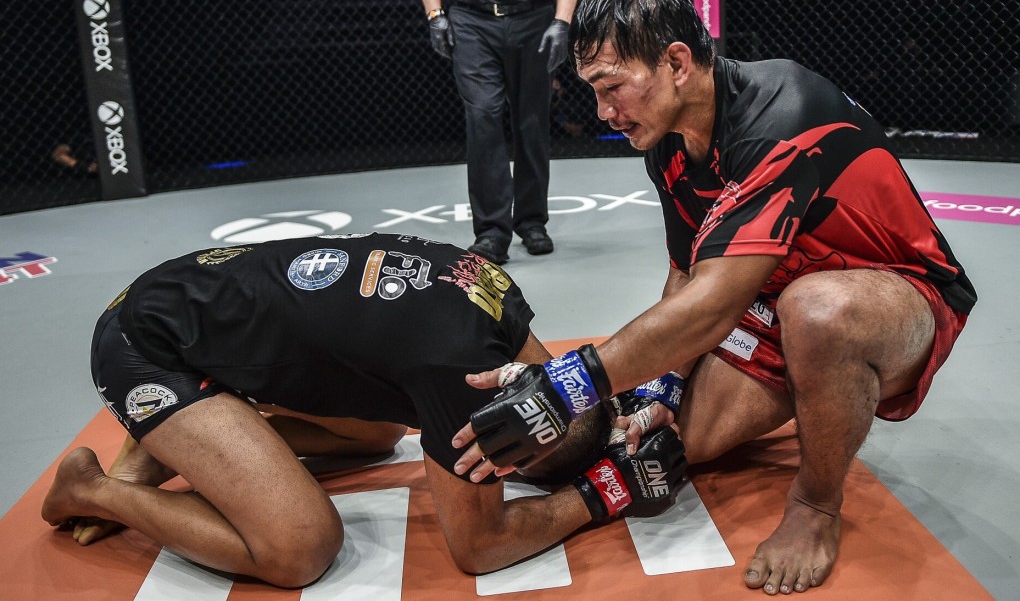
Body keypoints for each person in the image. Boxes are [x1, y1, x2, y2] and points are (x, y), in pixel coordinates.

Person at [450, 0, 977, 596]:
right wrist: (663, 386)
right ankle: (786, 390)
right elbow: (686, 272)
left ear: (676, 62)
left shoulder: (782, 115)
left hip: (897, 294)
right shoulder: (667, 140)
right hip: (772, 299)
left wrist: (566, 384)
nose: (604, 112)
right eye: (594, 91)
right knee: (667, 440)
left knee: (818, 313)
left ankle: (816, 505)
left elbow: (711, 305)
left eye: (614, 87)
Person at [41, 233, 685, 588]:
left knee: (379, 435)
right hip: (145, 348)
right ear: (519, 453)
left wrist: (620, 406)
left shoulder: (498, 294)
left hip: (183, 289)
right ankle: (93, 487)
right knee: (301, 549)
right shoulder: (462, 382)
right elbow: (481, 547)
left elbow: (574, 390)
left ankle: (200, 437)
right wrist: (606, 490)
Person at [411, 0, 584, 264]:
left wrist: (562, 22)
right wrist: (434, 14)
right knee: (482, 114)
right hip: (471, 19)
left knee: (532, 120)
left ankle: (532, 220)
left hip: (534, 15)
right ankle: (491, 231)